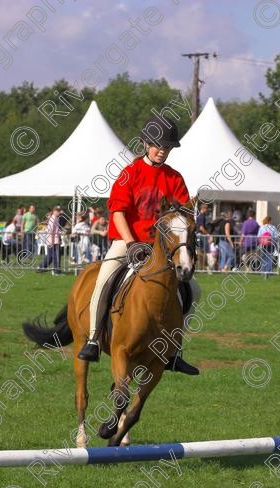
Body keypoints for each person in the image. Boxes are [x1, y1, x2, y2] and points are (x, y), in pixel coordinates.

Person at [77, 115, 199, 375]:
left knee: (194, 290)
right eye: (157, 145)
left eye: (166, 147)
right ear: (145, 143)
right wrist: (131, 243)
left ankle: (174, 351)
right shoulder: (129, 173)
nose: (162, 150)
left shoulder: (174, 178)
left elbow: (184, 214)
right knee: (103, 279)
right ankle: (93, 339)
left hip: (162, 248)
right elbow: (118, 212)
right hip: (128, 241)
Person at [37, 206, 62, 274]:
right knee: (56, 256)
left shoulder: (56, 218)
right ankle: (56, 271)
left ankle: (41, 267)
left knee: (50, 256)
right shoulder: (53, 219)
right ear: (54, 211)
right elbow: (51, 231)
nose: (59, 212)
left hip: (54, 240)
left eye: (59, 211)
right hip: (53, 241)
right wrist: (53, 241)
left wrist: (59, 237)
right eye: (58, 211)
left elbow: (56, 230)